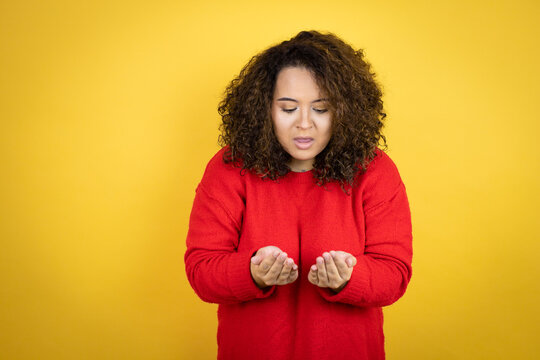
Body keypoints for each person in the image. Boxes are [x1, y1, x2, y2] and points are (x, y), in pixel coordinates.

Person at [184, 30, 413, 360]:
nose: (304, 124)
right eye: (289, 108)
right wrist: (251, 273)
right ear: (265, 109)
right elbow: (202, 269)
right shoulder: (228, 168)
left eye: (321, 109)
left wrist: (349, 278)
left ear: (344, 111)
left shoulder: (375, 170)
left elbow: (395, 274)